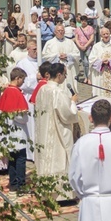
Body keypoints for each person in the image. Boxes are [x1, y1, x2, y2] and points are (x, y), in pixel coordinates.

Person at [34, 63, 79, 199]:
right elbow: (67, 115)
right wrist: (73, 102)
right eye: (65, 74)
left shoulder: (42, 89)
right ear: (59, 75)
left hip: (44, 131)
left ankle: (46, 193)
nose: (65, 77)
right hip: (56, 133)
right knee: (58, 158)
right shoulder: (58, 92)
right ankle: (61, 196)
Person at [0, 68, 30, 195]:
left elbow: (1, 110)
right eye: (23, 79)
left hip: (7, 132)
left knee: (11, 159)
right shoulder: (15, 92)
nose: (23, 82)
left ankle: (13, 183)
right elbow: (20, 116)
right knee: (20, 158)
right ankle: (21, 184)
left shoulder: (5, 92)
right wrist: (25, 118)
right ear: (18, 78)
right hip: (17, 132)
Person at [15, 40, 39, 161]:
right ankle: (31, 153)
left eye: (37, 49)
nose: (36, 51)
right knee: (31, 125)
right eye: (34, 49)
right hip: (29, 97)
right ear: (28, 50)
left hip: (41, 96)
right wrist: (35, 77)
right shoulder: (22, 64)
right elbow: (20, 82)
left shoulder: (42, 61)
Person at [42, 24, 80, 93]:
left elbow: (77, 54)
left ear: (64, 32)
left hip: (68, 69)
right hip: (55, 70)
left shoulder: (70, 42)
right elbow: (45, 56)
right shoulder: (49, 43)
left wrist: (68, 56)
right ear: (55, 32)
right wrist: (57, 56)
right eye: (58, 30)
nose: (60, 32)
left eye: (62, 30)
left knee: (68, 88)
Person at [89, 27, 111, 99]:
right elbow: (91, 59)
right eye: (104, 34)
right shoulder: (96, 46)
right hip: (101, 75)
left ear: (110, 34)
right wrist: (101, 62)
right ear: (101, 36)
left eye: (107, 34)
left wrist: (110, 62)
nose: (106, 36)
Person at [74, 16, 95, 82]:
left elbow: (92, 38)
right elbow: (76, 38)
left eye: (85, 21)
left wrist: (86, 46)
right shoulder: (78, 29)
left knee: (87, 62)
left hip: (88, 47)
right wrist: (80, 46)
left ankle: (89, 77)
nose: (84, 22)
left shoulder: (90, 28)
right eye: (82, 21)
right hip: (81, 47)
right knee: (84, 62)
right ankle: (86, 77)